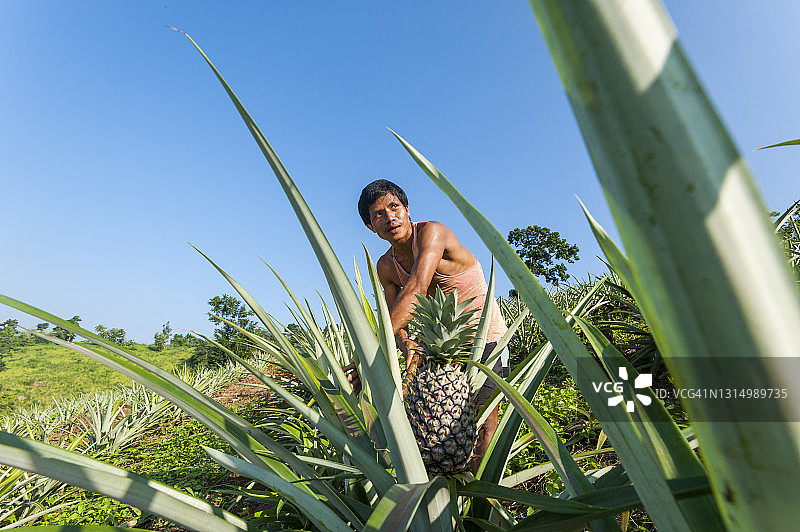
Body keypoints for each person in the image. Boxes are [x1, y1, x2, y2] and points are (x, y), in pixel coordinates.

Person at [347, 178, 508, 473]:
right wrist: (403, 341)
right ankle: (444, 487)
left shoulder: (433, 233)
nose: (389, 218)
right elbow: (394, 320)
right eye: (378, 214)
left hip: (483, 340)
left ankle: (481, 489)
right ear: (371, 227)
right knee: (433, 422)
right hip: (435, 346)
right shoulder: (386, 266)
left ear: (407, 209)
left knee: (482, 421)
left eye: (394, 207)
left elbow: (418, 287)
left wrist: (365, 357)